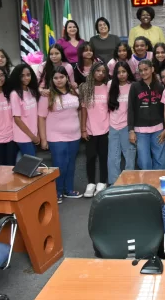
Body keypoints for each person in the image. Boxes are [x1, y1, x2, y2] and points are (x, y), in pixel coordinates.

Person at [38, 66, 82, 202]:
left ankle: (68, 190)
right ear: (52, 80)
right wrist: (43, 139)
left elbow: (79, 111)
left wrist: (82, 129)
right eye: (55, 78)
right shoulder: (47, 96)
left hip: (74, 135)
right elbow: (41, 118)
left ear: (67, 78)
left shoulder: (75, 92)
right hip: (56, 136)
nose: (59, 80)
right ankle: (57, 192)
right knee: (60, 164)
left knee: (71, 164)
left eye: (61, 77)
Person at [128, 60, 165, 170]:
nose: (143, 72)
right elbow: (130, 109)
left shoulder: (160, 87)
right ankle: (147, 181)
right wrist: (131, 130)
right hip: (141, 131)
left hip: (158, 130)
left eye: (146, 69)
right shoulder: (134, 86)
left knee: (161, 161)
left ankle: (159, 181)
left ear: (152, 69)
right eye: (141, 70)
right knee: (144, 162)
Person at [80, 63, 110, 198]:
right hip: (90, 130)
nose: (100, 73)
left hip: (105, 129)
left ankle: (102, 182)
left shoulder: (108, 87)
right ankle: (91, 183)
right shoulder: (85, 88)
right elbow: (84, 110)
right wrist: (83, 129)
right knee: (90, 157)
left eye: (103, 71)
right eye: (98, 70)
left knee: (104, 157)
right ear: (92, 72)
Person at [107, 62, 136, 184]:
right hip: (113, 125)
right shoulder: (110, 84)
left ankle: (129, 183)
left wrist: (132, 128)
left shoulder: (133, 86)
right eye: (118, 72)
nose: (121, 74)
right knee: (113, 157)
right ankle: (114, 184)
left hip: (127, 126)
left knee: (130, 156)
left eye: (124, 71)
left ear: (128, 72)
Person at [9, 64, 40, 156]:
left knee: (31, 161)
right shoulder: (15, 94)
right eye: (22, 76)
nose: (26, 78)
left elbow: (34, 115)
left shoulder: (31, 91)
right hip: (23, 136)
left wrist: (37, 133)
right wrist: (32, 136)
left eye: (28, 75)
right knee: (31, 161)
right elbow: (17, 119)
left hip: (33, 134)